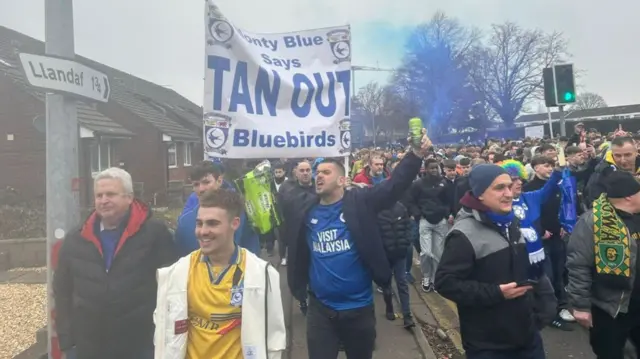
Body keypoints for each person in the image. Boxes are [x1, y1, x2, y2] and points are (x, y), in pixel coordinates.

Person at [286, 131, 431, 359]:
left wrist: (415, 155)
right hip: (320, 310)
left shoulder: (360, 202)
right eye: (317, 172)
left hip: (358, 309)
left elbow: (393, 186)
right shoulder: (306, 208)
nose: (318, 176)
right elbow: (284, 196)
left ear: (343, 180)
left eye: (326, 172)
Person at [53, 168, 178, 359]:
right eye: (99, 195)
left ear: (129, 197)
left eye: (110, 194)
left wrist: (165, 337)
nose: (103, 200)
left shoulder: (155, 234)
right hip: (88, 347)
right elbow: (62, 290)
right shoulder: (76, 239)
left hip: (141, 345)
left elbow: (171, 287)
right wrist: (68, 341)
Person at [435, 164, 556, 359]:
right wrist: (496, 293)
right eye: (499, 188)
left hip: (528, 338)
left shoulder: (515, 223)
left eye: (510, 186)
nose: (509, 194)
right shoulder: (463, 234)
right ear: (480, 193)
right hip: (487, 345)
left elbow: (535, 272)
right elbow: (445, 283)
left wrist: (545, 310)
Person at [154, 189, 286, 359]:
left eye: (212, 223)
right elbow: (163, 330)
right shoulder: (178, 272)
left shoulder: (261, 274)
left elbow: (274, 340)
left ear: (235, 223)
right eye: (199, 223)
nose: (203, 231)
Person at [567, 171, 640, 359]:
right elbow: (578, 265)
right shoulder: (591, 222)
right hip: (610, 307)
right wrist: (580, 306)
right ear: (629, 196)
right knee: (610, 353)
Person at [175, 161, 260, 256]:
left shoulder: (239, 209)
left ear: (219, 181)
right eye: (196, 184)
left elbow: (250, 244)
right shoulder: (186, 218)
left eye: (206, 182)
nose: (201, 189)